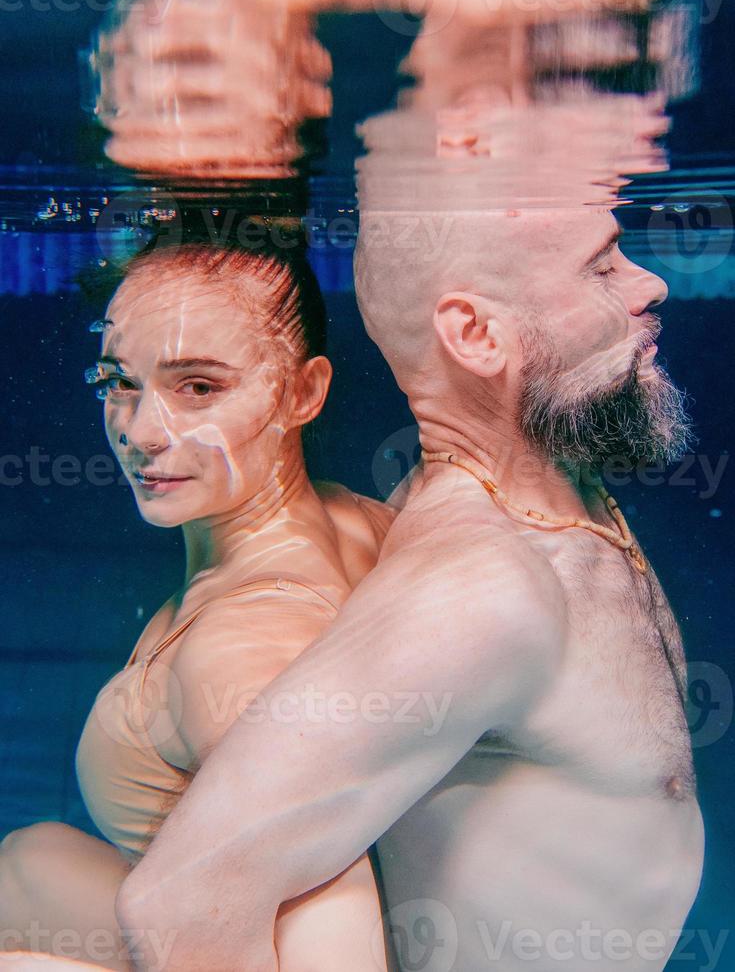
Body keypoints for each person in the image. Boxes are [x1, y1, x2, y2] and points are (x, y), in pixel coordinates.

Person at [112, 191, 705, 971]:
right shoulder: (473, 590)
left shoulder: (548, 492)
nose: (648, 284)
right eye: (601, 266)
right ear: (476, 335)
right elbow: (183, 901)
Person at [0, 231, 394, 972]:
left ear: (304, 392)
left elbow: (331, 930)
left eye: (200, 387)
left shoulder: (243, 645)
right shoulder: (361, 522)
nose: (142, 433)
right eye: (119, 380)